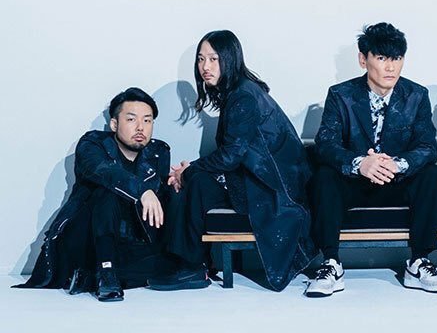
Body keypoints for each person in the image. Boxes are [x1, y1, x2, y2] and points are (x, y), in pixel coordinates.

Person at [149, 30, 316, 292]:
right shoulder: (239, 93)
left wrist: (189, 170)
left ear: (230, 59)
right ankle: (190, 264)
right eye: (201, 59)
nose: (205, 67)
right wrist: (189, 170)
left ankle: (192, 267)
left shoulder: (243, 97)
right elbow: (233, 154)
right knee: (194, 180)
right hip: (258, 179)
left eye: (213, 59)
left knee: (197, 182)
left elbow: (230, 156)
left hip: (272, 188)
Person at [306, 22, 437, 297]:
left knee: (433, 175)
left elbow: (427, 147)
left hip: (398, 182)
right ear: (363, 60)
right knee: (324, 176)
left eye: (397, 58)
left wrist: (397, 164)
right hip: (355, 184)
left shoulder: (416, 95)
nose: (390, 67)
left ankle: (419, 262)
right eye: (382, 58)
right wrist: (360, 163)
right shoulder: (341, 95)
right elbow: (326, 144)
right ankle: (331, 263)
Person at [14, 88, 177, 301]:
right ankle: (106, 272)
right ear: (114, 124)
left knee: (179, 266)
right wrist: (142, 190)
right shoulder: (93, 144)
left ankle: (91, 277)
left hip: (126, 244)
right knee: (107, 192)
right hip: (86, 239)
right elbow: (105, 172)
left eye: (147, 121)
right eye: (131, 119)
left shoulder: (158, 152)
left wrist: (179, 179)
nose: (140, 127)